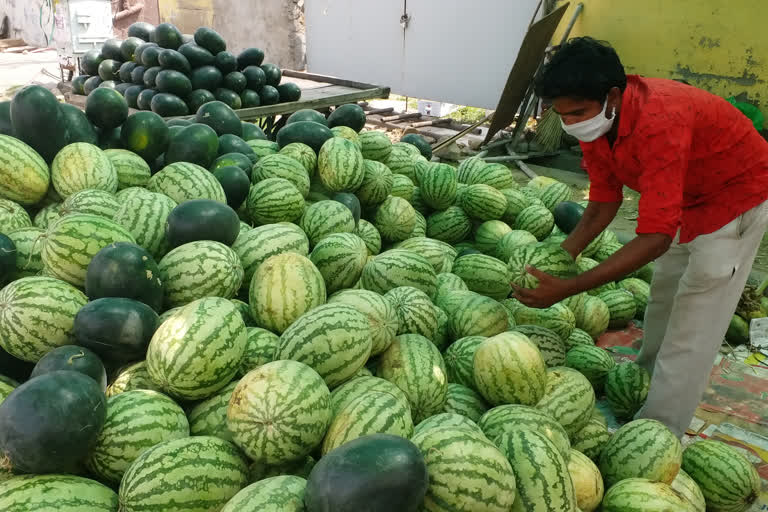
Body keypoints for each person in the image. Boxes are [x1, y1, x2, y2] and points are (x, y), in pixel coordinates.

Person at [513, 36, 768, 438]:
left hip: (735, 194)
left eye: (578, 112)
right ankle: (646, 382)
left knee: (695, 322)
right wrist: (562, 257)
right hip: (684, 194)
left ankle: (658, 433)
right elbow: (601, 203)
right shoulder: (599, 127)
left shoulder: (660, 120)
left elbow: (654, 239)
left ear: (612, 97)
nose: (571, 123)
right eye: (562, 115)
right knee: (664, 293)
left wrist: (571, 287)